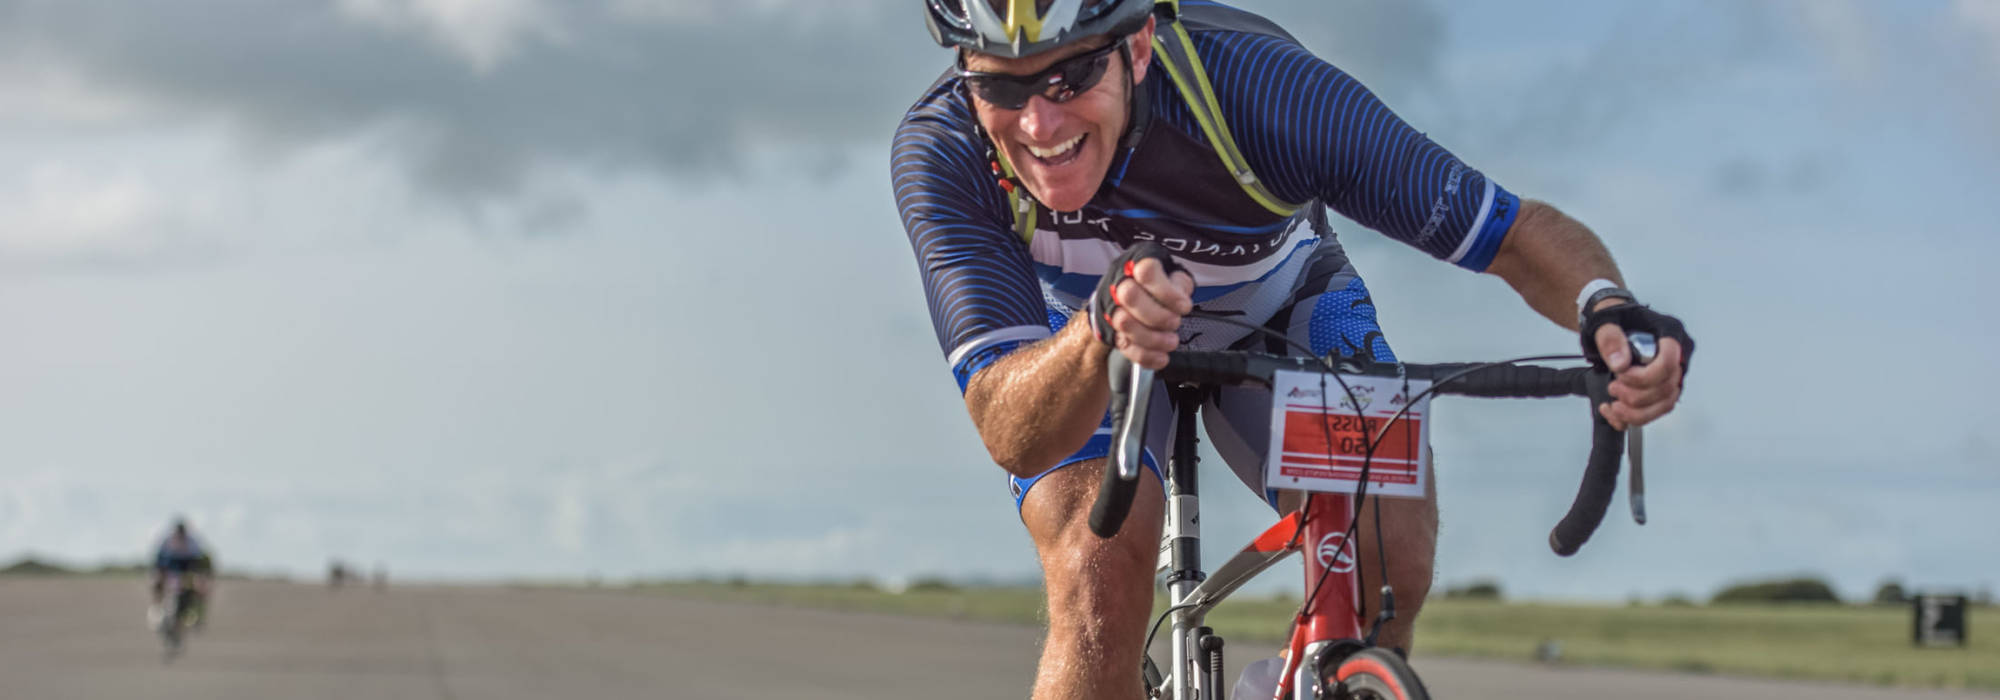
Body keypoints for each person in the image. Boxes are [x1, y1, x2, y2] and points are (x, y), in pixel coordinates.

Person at [890, 1, 1695, 698]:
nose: (1041, 123)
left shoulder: (1265, 95)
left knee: (1388, 563)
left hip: (1278, 306)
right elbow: (1012, 428)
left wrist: (1607, 309)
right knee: (1096, 571)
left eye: (1070, 78)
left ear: (1136, 48)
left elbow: (1514, 235)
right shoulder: (946, 151)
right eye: (1002, 83)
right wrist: (1100, 327)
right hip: (1084, 344)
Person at [151, 518, 213, 628]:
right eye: (178, 535)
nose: (180, 538)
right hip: (171, 568)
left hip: (187, 569)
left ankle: (197, 615)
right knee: (156, 582)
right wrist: (159, 574)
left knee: (200, 587)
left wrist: (200, 577)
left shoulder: (192, 543)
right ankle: (157, 608)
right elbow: (159, 561)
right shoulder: (167, 542)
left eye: (182, 535)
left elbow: (198, 564)